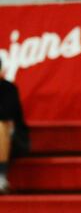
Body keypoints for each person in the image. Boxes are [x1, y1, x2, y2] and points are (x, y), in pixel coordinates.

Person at [0, 59, 29, 194]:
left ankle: (1, 176)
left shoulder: (9, 89)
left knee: (0, 125)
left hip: (14, 140)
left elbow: (6, 115)